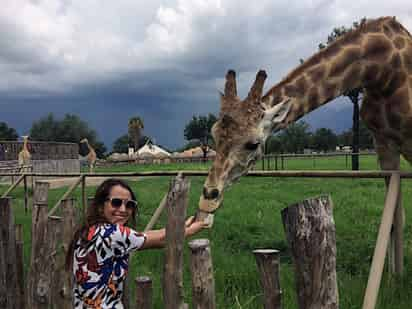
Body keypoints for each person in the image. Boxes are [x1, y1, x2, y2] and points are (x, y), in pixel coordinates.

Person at [66, 178, 207, 308]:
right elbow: (162, 239)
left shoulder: (89, 231)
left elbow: (145, 236)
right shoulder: (113, 234)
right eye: (116, 202)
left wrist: (180, 227)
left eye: (129, 205)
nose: (122, 209)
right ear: (100, 207)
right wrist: (191, 230)